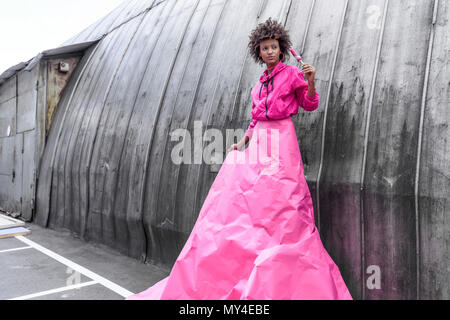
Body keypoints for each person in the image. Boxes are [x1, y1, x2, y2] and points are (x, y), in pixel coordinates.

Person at [126, 18, 353, 300]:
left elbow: (310, 104)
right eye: (264, 48)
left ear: (281, 49)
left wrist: (310, 80)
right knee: (256, 197)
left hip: (282, 138)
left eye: (273, 46)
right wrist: (243, 142)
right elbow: (255, 119)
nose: (269, 51)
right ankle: (255, 247)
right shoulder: (257, 86)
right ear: (258, 52)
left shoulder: (293, 74)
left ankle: (280, 248)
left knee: (283, 193)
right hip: (260, 139)